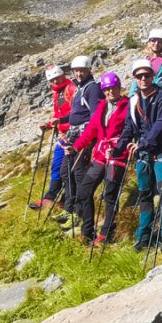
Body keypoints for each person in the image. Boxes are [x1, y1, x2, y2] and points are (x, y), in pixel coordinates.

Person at [118, 57, 162, 252]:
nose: (143, 78)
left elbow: (161, 124)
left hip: (160, 149)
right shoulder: (133, 100)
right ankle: (143, 234)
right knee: (144, 193)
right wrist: (119, 147)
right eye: (139, 76)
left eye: (147, 75)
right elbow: (128, 127)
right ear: (135, 78)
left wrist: (142, 143)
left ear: (153, 76)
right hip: (142, 153)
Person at [70, 72, 131, 245]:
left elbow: (129, 130)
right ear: (103, 91)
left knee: (110, 194)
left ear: (119, 87)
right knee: (84, 191)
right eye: (107, 89)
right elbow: (91, 129)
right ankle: (87, 230)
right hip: (100, 155)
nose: (111, 92)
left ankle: (106, 233)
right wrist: (76, 147)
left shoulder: (128, 105)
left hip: (118, 156)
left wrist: (117, 147)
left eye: (114, 88)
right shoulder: (101, 106)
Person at [53, 56, 102, 227]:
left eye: (82, 70)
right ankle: (69, 209)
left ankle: (78, 213)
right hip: (74, 133)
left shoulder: (92, 89)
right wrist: (62, 119)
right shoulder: (81, 88)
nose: (79, 73)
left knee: (79, 174)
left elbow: (95, 115)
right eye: (76, 71)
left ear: (89, 70)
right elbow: (76, 113)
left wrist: (87, 140)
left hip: (82, 136)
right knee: (67, 172)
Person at [31, 64, 77, 211]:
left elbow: (78, 113)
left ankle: (63, 200)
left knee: (66, 168)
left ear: (62, 75)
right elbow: (58, 115)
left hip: (73, 134)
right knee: (57, 166)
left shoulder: (71, 89)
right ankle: (51, 198)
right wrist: (49, 124)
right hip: (62, 134)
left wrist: (60, 122)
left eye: (56, 78)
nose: (55, 82)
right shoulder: (57, 93)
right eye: (52, 80)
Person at [134, 28, 162, 95]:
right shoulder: (145, 60)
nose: (156, 43)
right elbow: (137, 78)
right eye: (153, 40)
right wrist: (132, 94)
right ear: (149, 42)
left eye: (160, 41)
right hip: (146, 94)